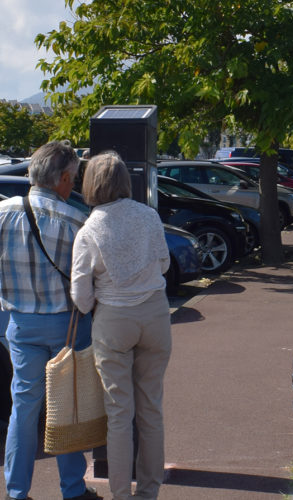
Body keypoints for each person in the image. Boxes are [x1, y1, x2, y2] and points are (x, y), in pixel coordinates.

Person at [0, 141, 101, 500]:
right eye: (72, 178)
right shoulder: (77, 220)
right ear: (61, 178)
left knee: (23, 409)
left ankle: (16, 491)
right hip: (68, 326)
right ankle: (73, 490)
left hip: (19, 325)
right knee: (67, 404)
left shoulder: (3, 212)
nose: (72, 185)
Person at [71, 152, 172, 500]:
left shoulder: (89, 230)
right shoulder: (149, 216)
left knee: (119, 414)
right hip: (156, 316)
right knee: (151, 410)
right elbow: (163, 264)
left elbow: (81, 297)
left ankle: (120, 494)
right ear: (125, 182)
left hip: (113, 321)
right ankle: (149, 492)